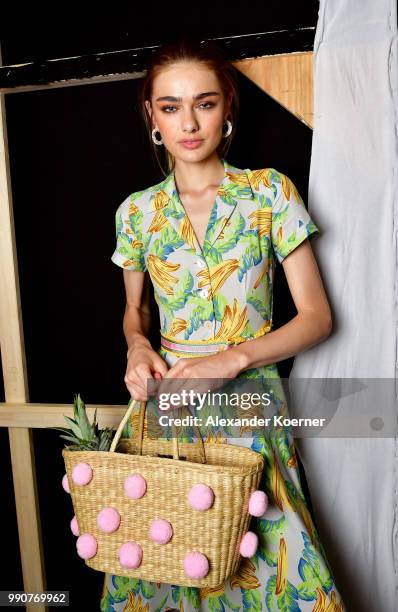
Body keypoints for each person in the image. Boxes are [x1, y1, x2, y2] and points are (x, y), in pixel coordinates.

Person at [101, 36, 346, 612]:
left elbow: (317, 317)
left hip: (250, 409)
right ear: (152, 115)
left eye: (204, 103)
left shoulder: (268, 192)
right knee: (165, 562)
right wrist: (137, 347)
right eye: (171, 106)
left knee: (271, 567)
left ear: (227, 107)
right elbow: (134, 311)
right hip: (170, 411)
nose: (189, 121)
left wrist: (231, 359)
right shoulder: (136, 212)